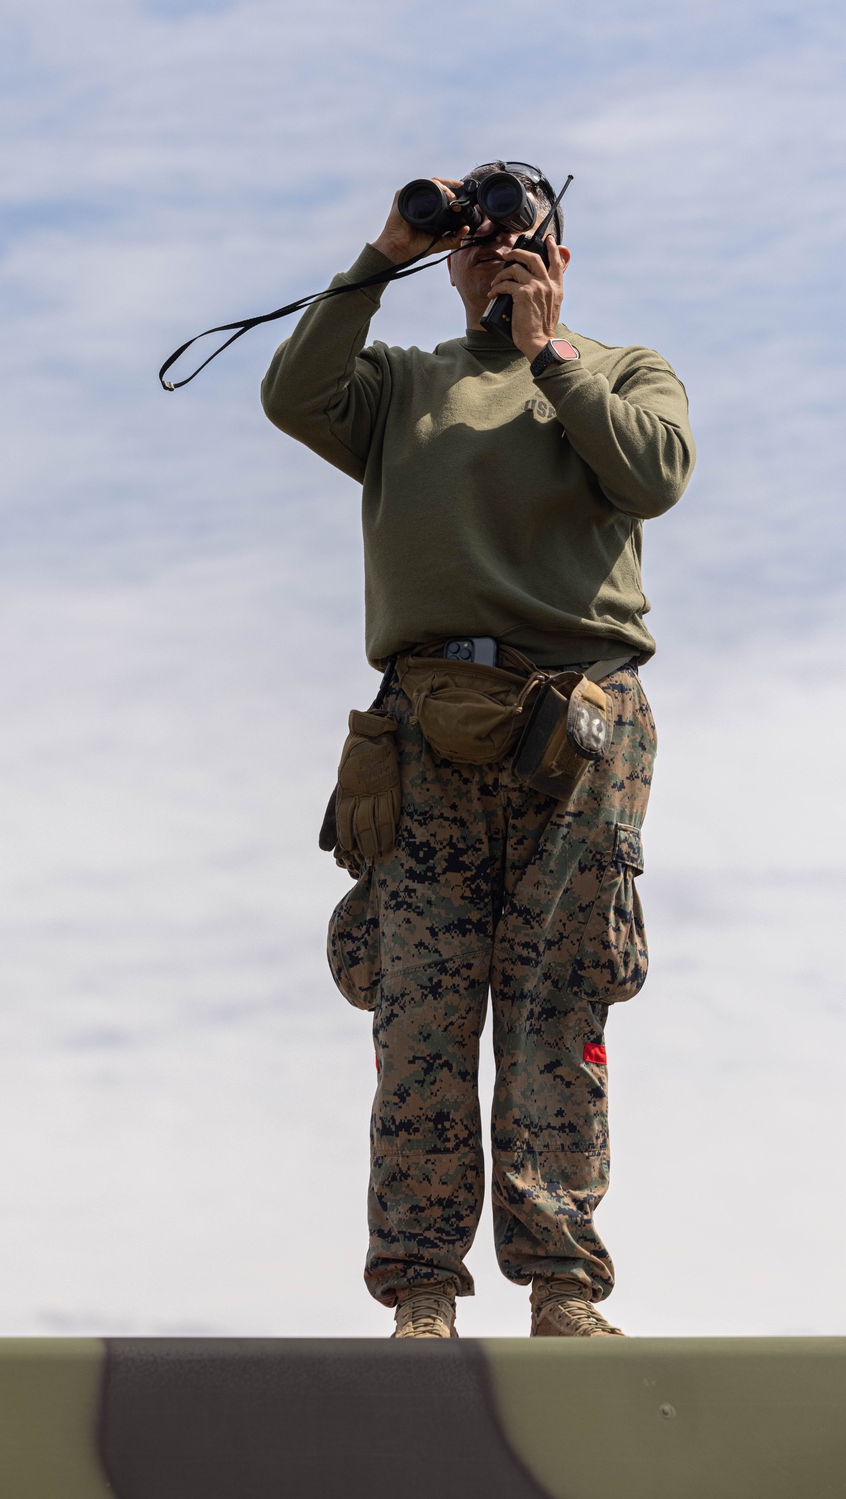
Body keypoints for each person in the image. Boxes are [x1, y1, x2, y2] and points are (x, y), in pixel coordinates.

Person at [261, 161, 695, 1339]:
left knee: (561, 1000)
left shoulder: (619, 372)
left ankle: (560, 1282)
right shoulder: (404, 387)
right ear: (452, 261)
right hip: (424, 725)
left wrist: (551, 355)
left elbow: (650, 474)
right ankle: (420, 1288)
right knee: (421, 1007)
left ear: (559, 257)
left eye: (522, 237)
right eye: (476, 240)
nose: (496, 251)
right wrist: (382, 255)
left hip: (579, 727)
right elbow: (291, 393)